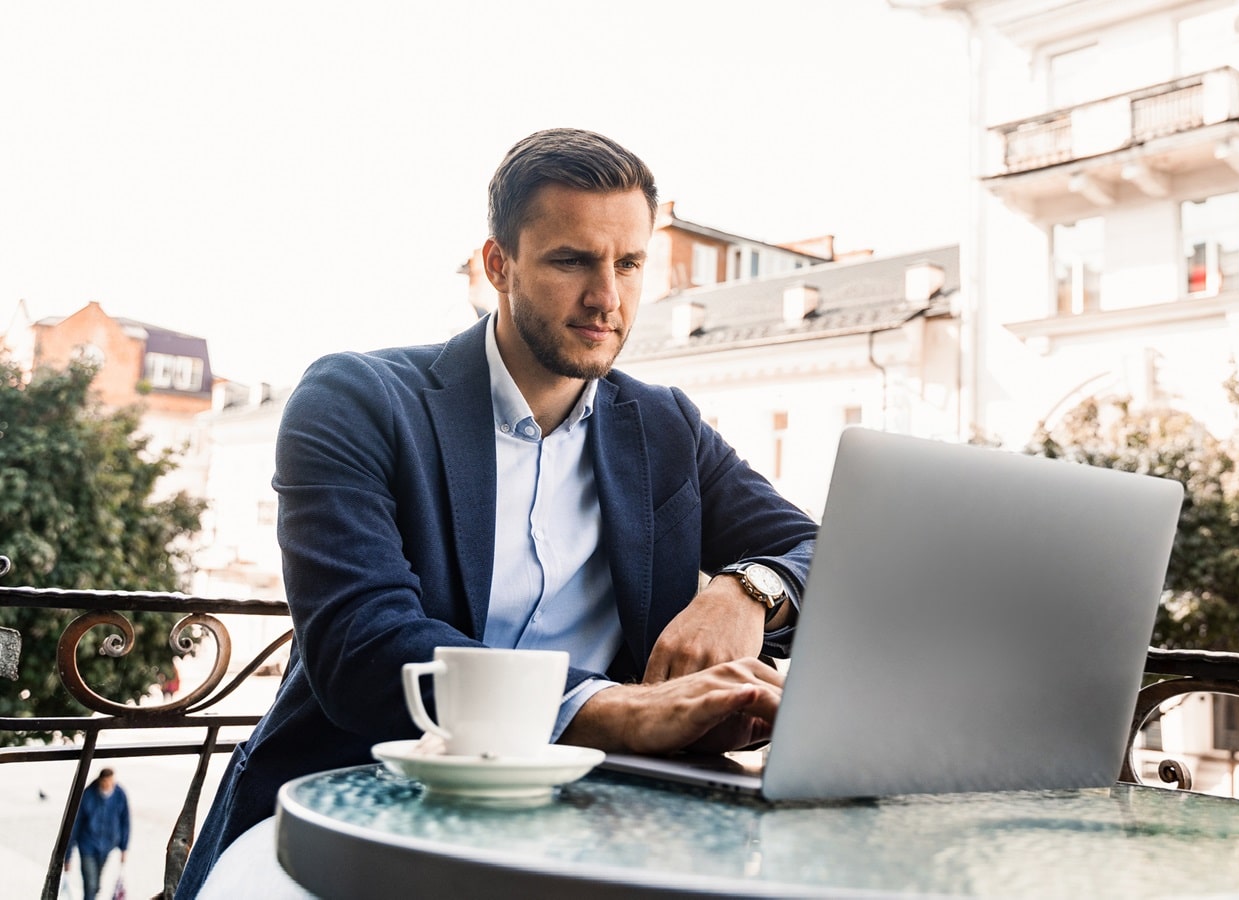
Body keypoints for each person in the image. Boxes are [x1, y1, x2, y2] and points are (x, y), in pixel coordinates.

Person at [174, 128, 818, 898]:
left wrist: (748, 589)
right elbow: (364, 649)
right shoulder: (357, 402)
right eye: (572, 260)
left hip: (591, 827)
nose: (607, 297)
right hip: (346, 811)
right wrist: (618, 711)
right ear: (497, 266)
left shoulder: (663, 428)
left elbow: (821, 550)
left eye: (630, 263)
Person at [65, 768, 129, 900]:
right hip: (87, 845)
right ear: (101, 781)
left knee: (96, 883)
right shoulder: (88, 795)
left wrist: (124, 847)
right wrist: (68, 855)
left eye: (111, 782)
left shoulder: (119, 794)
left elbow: (125, 821)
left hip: (107, 845)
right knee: (91, 884)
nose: (108, 785)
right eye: (106, 782)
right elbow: (75, 824)